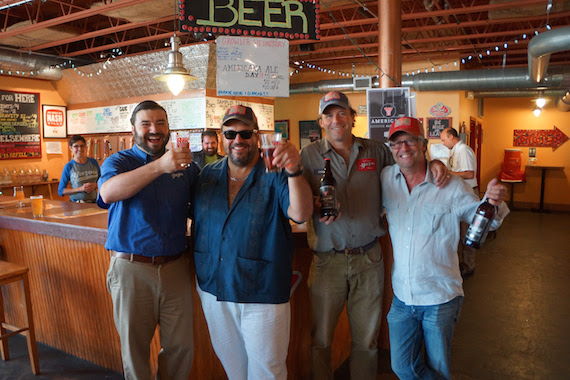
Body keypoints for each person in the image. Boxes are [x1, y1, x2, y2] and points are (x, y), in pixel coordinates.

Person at [299, 91, 449, 380]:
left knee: (366, 342)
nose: (336, 120)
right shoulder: (308, 155)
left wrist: (433, 164)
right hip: (327, 261)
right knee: (320, 341)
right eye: (329, 115)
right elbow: (297, 202)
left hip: (369, 258)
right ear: (320, 121)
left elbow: (409, 168)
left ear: (353, 117)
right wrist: (315, 204)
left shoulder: (376, 150)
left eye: (342, 112)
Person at [381, 116, 509, 380]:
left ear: (422, 143)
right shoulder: (386, 178)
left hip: (439, 297)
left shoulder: (451, 186)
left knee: (439, 368)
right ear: (390, 149)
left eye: (410, 141)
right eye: (396, 143)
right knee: (401, 366)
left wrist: (493, 201)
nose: (403, 148)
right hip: (403, 296)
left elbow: (484, 221)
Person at [193, 105, 313, 380]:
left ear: (257, 136)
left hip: (262, 291)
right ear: (221, 137)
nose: (238, 140)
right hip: (215, 289)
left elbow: (301, 213)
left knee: (267, 372)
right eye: (230, 133)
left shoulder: (276, 171)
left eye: (245, 133)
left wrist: (294, 170)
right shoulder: (207, 175)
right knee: (233, 370)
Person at [97, 100, 198, 380]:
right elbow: (107, 193)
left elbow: (204, 205)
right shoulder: (118, 161)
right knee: (135, 352)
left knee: (181, 348)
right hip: (131, 269)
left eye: (160, 123)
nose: (154, 129)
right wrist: (159, 166)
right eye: (146, 124)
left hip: (176, 266)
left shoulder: (185, 166)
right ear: (133, 130)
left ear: (168, 128)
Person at [440, 126, 478, 277]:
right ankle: (460, 264)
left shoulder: (463, 151)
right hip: (459, 194)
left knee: (467, 234)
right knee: (459, 232)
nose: (443, 143)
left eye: (443, 140)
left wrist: (447, 172)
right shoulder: (456, 151)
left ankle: (469, 266)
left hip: (468, 195)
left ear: (451, 137)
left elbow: (469, 173)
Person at [58, 135, 100, 203]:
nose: (80, 149)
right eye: (76, 146)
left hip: (94, 203)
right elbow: (61, 191)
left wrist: (95, 185)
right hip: (77, 205)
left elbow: (103, 181)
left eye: (82, 146)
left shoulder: (94, 162)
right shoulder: (69, 166)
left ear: (85, 147)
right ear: (71, 148)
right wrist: (81, 189)